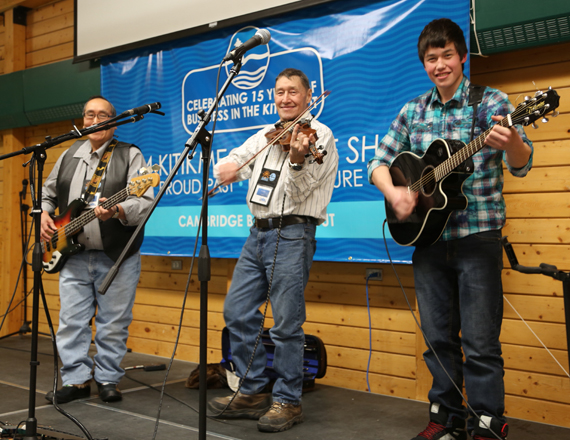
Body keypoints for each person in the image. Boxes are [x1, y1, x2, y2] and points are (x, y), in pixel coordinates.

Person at [367, 18, 533, 440]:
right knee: (438, 339)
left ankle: (486, 424)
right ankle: (445, 418)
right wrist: (398, 194)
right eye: (431, 58)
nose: (440, 64)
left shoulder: (491, 102)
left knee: (480, 343)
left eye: (447, 56)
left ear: (462, 57)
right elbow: (378, 163)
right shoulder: (413, 110)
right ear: (424, 63)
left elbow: (522, 163)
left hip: (477, 238)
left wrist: (511, 141)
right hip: (428, 240)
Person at [207, 68, 338, 432]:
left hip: (293, 234)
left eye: (293, 92)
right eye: (280, 92)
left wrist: (296, 161)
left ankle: (287, 400)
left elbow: (299, 193)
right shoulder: (268, 134)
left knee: (286, 325)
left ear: (308, 96)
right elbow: (235, 160)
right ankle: (251, 390)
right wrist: (231, 167)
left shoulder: (320, 136)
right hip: (257, 234)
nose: (285, 98)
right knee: (236, 311)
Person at [41, 96, 154, 403]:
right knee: (71, 322)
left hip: (116, 255)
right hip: (73, 255)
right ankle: (76, 381)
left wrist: (117, 210)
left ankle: (107, 379)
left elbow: (144, 202)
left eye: (102, 115)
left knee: (113, 323)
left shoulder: (130, 155)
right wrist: (44, 215)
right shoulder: (69, 153)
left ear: (114, 122)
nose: (95, 120)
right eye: (90, 115)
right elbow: (48, 193)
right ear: (83, 120)